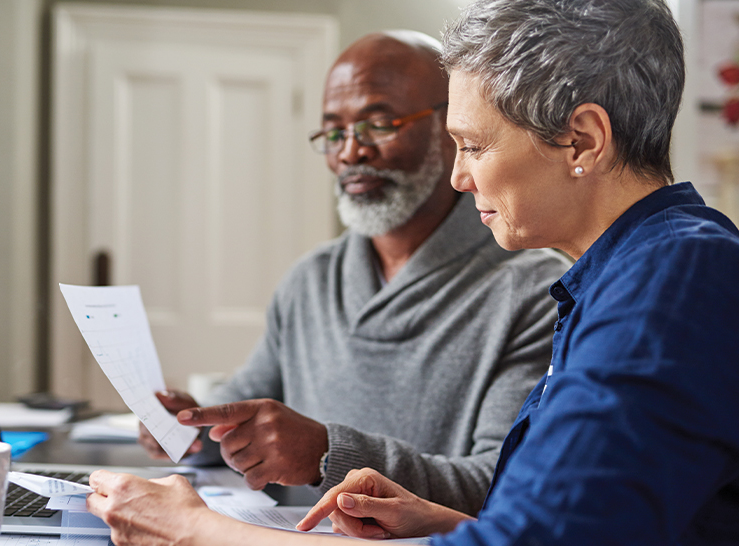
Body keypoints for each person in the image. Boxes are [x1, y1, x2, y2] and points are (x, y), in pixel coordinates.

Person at [84, 0, 739, 544]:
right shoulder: (624, 275)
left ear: (583, 141)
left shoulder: (670, 279)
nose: (459, 175)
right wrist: (440, 521)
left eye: (474, 145)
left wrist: (198, 531)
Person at [138, 30, 570, 515]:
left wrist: (328, 454)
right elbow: (244, 415)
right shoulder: (311, 281)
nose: (350, 152)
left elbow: (501, 480)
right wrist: (191, 425)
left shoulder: (535, 291)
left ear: (451, 130)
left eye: (379, 123)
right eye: (334, 132)